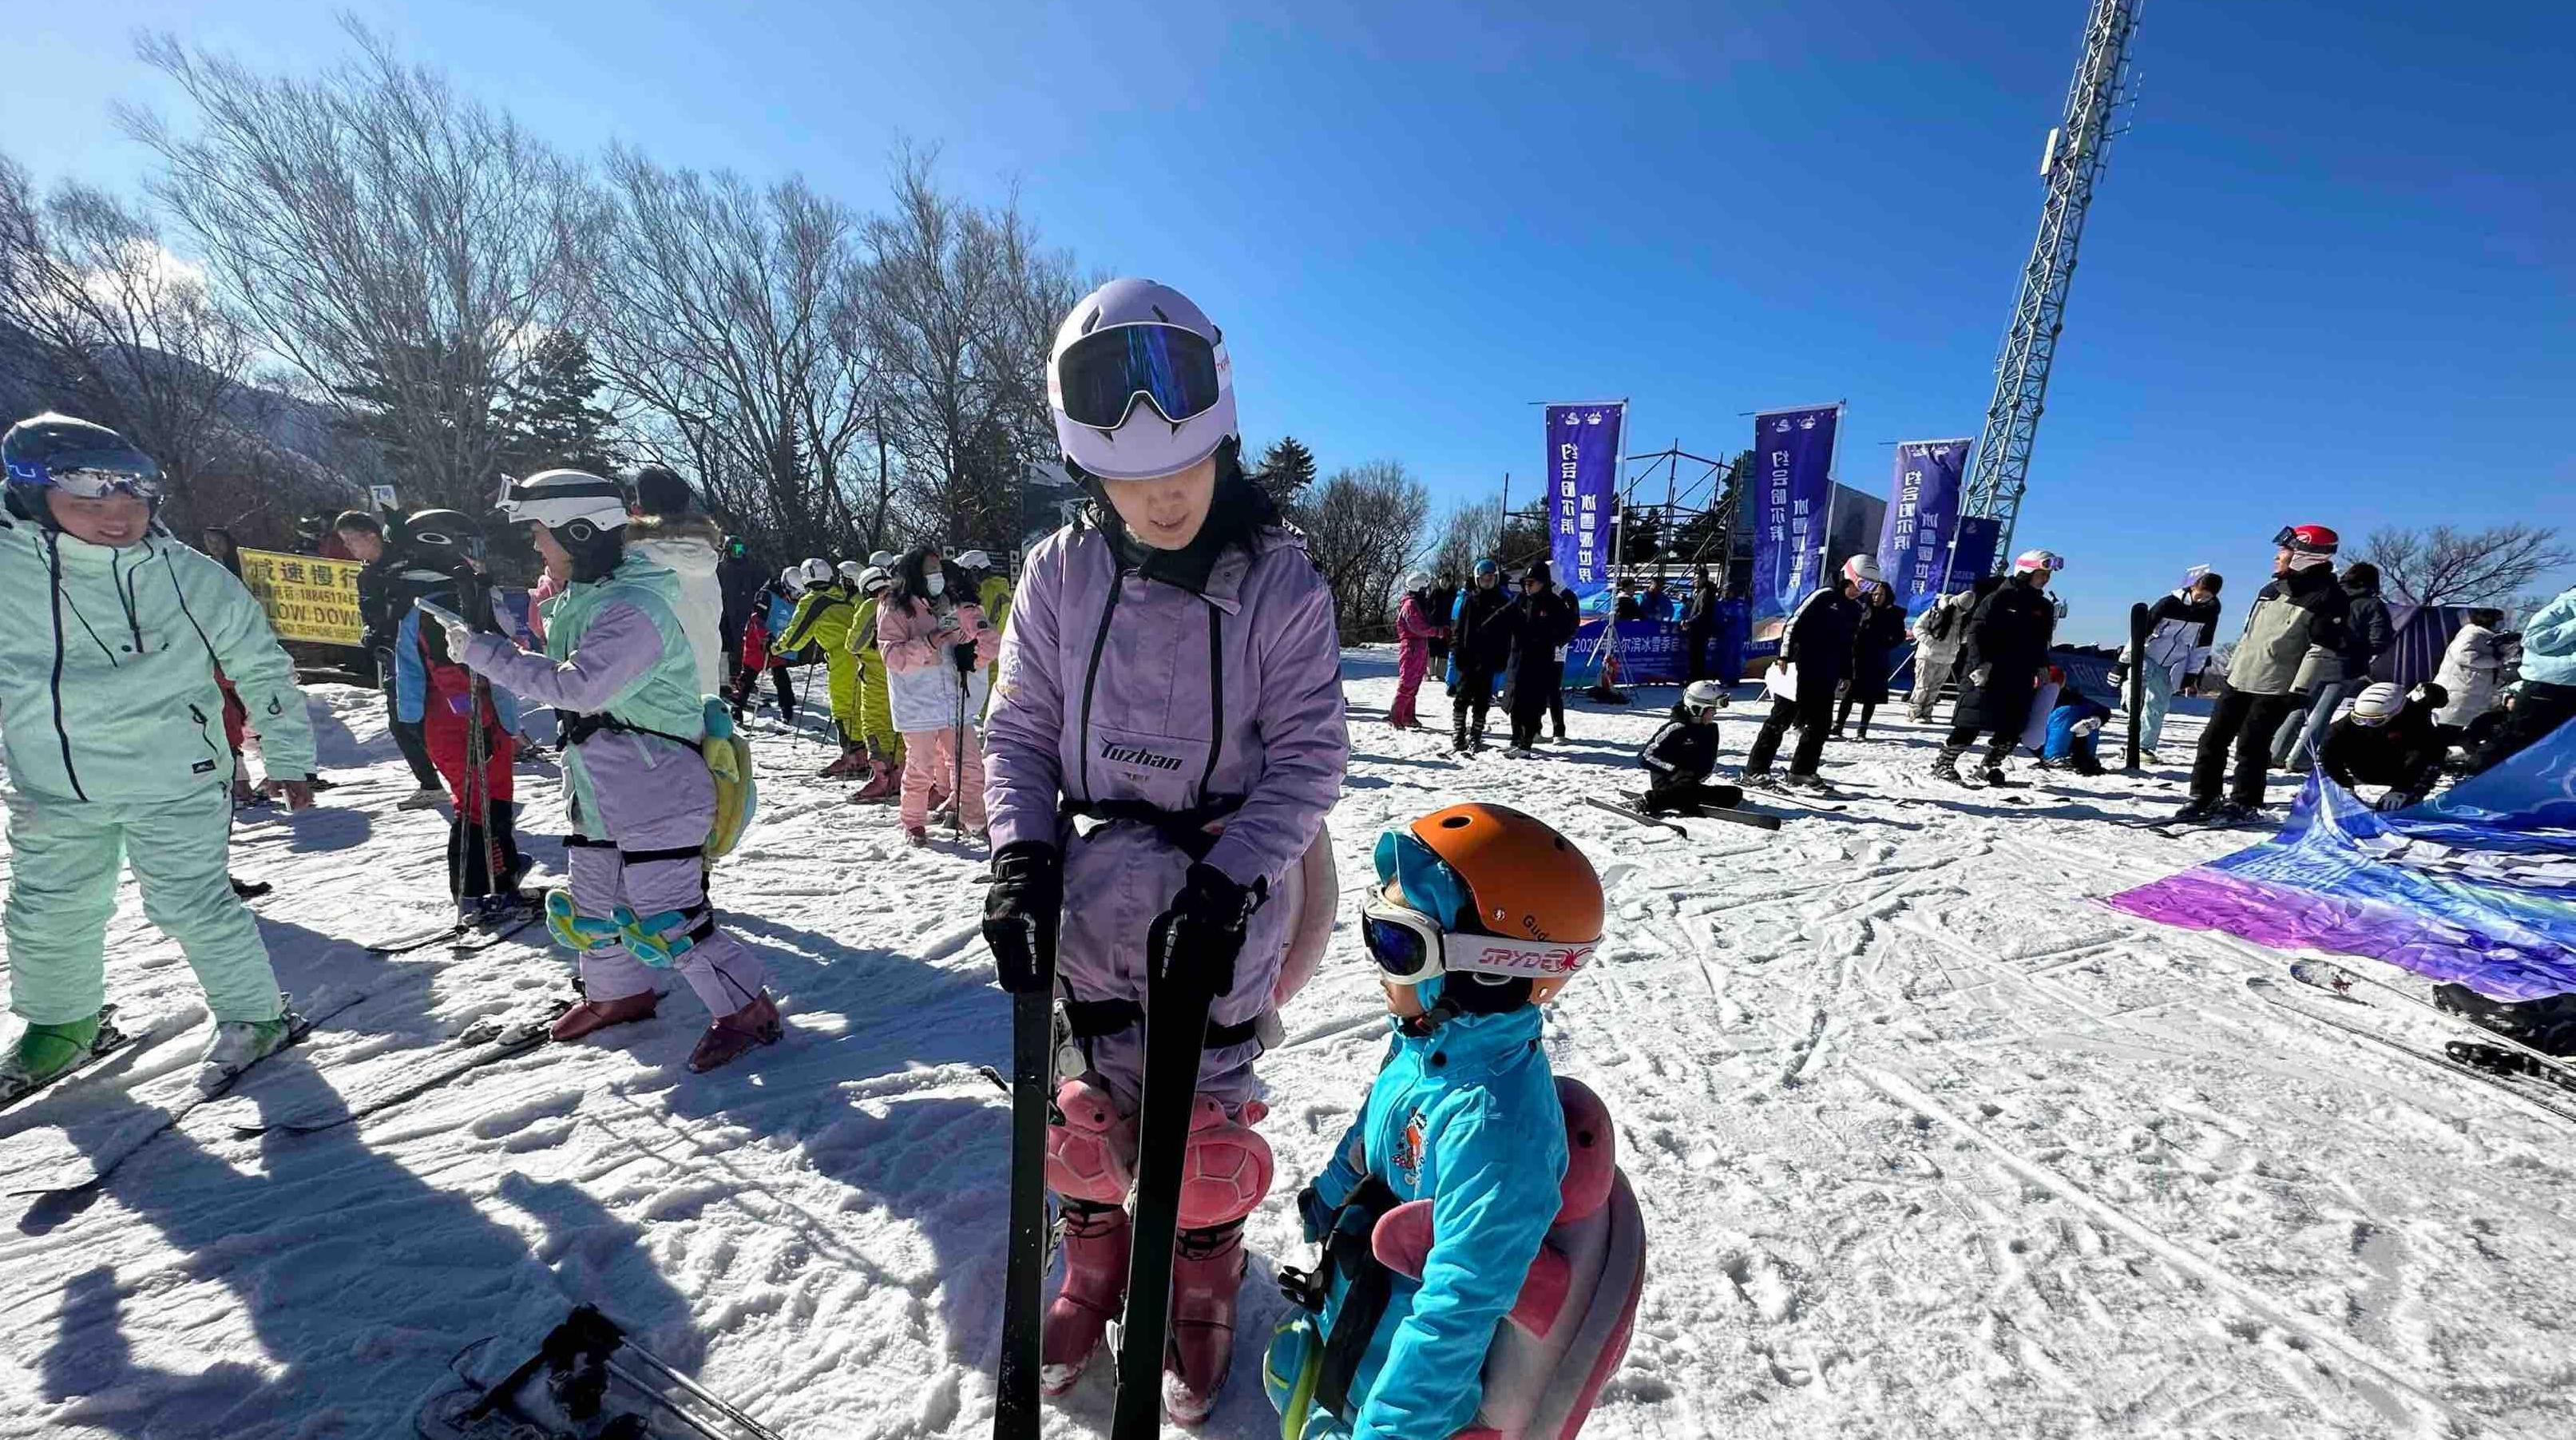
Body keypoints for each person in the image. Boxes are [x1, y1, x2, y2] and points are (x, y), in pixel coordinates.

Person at [980, 276, 1346, 1423]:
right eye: (1129, 481)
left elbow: (1309, 758)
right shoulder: (1059, 572)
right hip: (1092, 890)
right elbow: (1020, 731)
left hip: (1222, 888)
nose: (1160, 497)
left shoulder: (1279, 578)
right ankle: (1093, 1261)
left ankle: (1198, 1275)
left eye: (1180, 470)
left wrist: (1230, 878)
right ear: (1087, 469)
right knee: (1082, 1112)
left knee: (1205, 1127)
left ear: (1221, 438)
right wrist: (1020, 856)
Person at [1265, 803, 1635, 1440]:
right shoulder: (1425, 1046)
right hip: (1359, 1314)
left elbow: (1457, 1307)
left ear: (1490, 970)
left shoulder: (1494, 1127)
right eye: (1375, 929)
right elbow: (1369, 1137)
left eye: (1400, 944)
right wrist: (1327, 1198)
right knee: (1291, 1368)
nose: (1379, 962)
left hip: (1404, 1387)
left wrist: (1390, 1430)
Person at [0, 413, 319, 1098]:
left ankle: (255, 1014)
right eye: (91, 501)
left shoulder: (188, 577)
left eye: (134, 501)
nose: (118, 518)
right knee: (48, 909)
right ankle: (61, 1024)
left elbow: (261, 664)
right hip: (52, 782)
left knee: (192, 902)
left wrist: (288, 752)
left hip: (178, 774)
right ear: (31, 495)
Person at [441, 468, 778, 1073]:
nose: (538, 547)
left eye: (543, 534)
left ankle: (747, 1009)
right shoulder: (585, 600)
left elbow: (581, 687)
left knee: (667, 913)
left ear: (581, 532)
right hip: (601, 786)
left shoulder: (634, 609)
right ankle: (617, 993)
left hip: (657, 789)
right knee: (594, 900)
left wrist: (488, 654)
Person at [390, 509, 528, 918]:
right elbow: (452, 677)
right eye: (473, 549)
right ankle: (474, 891)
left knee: (495, 803)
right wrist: (479, 725)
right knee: (478, 808)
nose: (480, 558)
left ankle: (502, 878)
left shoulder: (463, 593)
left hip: (483, 720)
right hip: (461, 724)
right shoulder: (440, 608)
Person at [2179, 525, 2351, 824]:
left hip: (2277, 684)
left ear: (2306, 554)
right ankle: (2203, 796)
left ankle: (2245, 802)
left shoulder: (2328, 596)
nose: (2277, 556)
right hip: (2241, 677)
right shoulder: (2270, 589)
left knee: (2252, 745)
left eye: (2285, 550)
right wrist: (2231, 669)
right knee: (2212, 739)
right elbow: (2250, 634)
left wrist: (2300, 688)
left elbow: (2321, 648)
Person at [876, 545, 998, 843]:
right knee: (920, 766)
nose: (936, 577)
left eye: (938, 571)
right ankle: (913, 821)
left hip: (952, 699)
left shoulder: (949, 602)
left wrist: (973, 652)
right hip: (917, 702)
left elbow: (974, 641)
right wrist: (927, 642)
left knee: (969, 762)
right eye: (930, 571)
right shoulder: (895, 608)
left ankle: (974, 818)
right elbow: (892, 656)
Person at [339, 508, 447, 807]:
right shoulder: (367, 575)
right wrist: (371, 636)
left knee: (433, 717)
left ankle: (458, 774)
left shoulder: (407, 564)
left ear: (371, 535)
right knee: (402, 723)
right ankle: (432, 782)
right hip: (392, 659)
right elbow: (371, 616)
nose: (348, 547)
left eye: (351, 539)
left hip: (423, 654)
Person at [1933, 550, 2063, 787]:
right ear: (2026, 572)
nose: (2046, 579)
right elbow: (1977, 632)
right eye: (2042, 573)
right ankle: (1944, 763)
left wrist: (2043, 666)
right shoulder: (1999, 598)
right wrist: (1980, 665)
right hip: (1989, 671)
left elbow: (2041, 641)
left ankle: (1989, 767)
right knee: (1971, 721)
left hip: (2020, 674)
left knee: (2012, 726)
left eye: (2048, 575)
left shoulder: (2044, 607)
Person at [1744, 554, 1873, 791]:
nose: (1863, 591)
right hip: (1798, 668)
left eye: (1871, 587)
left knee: (1820, 725)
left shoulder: (1856, 608)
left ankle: (1802, 771)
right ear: (1849, 577)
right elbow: (1794, 623)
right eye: (1862, 584)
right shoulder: (1823, 596)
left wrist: (1846, 672)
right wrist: (1784, 655)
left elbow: (1848, 643)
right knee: (1779, 721)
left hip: (1827, 673)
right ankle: (1756, 770)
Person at [2275, 560, 2392, 772]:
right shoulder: (2372, 604)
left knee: (2299, 708)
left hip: (2313, 659)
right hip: (2347, 665)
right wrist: (2363, 651)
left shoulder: (2329, 595)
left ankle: (2276, 752)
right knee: (2322, 714)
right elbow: (2380, 639)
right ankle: (2301, 760)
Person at [624, 466, 727, 696]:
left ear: (637, 510)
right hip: (704, 700)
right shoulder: (705, 560)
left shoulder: (630, 563)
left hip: (652, 708)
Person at [2460, 585, 2576, 776]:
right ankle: (2472, 781)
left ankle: (2536, 789)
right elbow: (2533, 639)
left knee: (2562, 746)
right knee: (2517, 737)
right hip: (2548, 684)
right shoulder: (2565, 605)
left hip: (2570, 685)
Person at [777, 557, 863, 776]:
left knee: (843, 707)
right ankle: (866, 754)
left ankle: (853, 757)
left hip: (842, 656)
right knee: (861, 704)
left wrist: (774, 647)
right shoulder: (843, 595)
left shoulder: (813, 600)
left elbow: (795, 636)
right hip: (863, 655)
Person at [2132, 568, 2224, 760]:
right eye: (2200, 595)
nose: (2202, 600)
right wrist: (2125, 662)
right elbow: (2140, 632)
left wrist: (2192, 673)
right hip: (2148, 654)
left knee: (2158, 704)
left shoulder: (2211, 610)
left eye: (2208, 597)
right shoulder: (2168, 603)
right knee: (2137, 687)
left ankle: (2144, 746)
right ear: (2192, 587)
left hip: (2173, 662)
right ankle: (2129, 699)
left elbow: (2203, 644)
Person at [2319, 681, 2450, 808]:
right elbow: (2328, 751)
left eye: (2375, 720)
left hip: (2401, 767)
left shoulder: (2417, 720)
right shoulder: (2348, 724)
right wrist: (2341, 784)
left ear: (2397, 711)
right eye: (2360, 719)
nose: (2366, 722)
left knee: (2435, 749)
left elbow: (2420, 758)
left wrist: (2402, 790)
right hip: (2365, 767)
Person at [1500, 561, 1578, 755]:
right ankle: (1515, 738)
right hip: (1518, 659)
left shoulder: (1556, 603)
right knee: (1515, 699)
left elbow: (1569, 626)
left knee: (1534, 701)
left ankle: (1528, 742)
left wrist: (1552, 640)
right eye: (1525, 582)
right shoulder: (1520, 600)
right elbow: (1500, 618)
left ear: (1544, 582)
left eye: (1531, 582)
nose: (1527, 586)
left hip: (1541, 660)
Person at [843, 564, 903, 803]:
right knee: (898, 727)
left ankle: (883, 779)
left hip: (876, 677)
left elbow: (854, 644)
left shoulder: (871, 606)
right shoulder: (902, 602)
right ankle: (901, 776)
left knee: (875, 726)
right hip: (900, 675)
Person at [1639, 680, 1744, 815]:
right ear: (1697, 708)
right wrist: (1676, 771)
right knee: (1686, 789)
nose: (1715, 714)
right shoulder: (1676, 728)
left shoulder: (1709, 730)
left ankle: (1680, 800)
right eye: (1712, 710)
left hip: (1690, 784)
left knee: (1733, 795)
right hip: (1667, 781)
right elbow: (1644, 756)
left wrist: (1696, 775)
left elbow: (1708, 761)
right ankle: (1648, 801)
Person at [1449, 558, 1512, 752]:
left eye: (1491, 579)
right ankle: (1458, 732)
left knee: (1483, 699)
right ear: (1477, 580)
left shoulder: (1503, 601)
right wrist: (1457, 652)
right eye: (1484, 579)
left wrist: (1503, 657)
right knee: (1462, 697)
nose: (1487, 582)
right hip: (1469, 658)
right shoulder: (1470, 600)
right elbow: (1459, 630)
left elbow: (1507, 634)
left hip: (1489, 659)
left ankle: (1476, 734)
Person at [1835, 581, 1907, 739]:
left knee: (1871, 697)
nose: (1877, 597)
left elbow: (1899, 636)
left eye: (1880, 595)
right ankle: (1838, 725)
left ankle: (1863, 729)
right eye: (1874, 594)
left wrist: (1885, 644)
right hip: (1857, 658)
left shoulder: (1894, 614)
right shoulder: (1862, 609)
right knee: (1849, 694)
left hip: (1877, 660)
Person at [2432, 607, 2512, 735]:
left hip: (2473, 691)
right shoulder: (2473, 634)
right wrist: (2495, 660)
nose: (2501, 623)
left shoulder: (2488, 637)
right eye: (2499, 620)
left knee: (2461, 728)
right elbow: (2462, 655)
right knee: (2446, 728)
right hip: (2459, 689)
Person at [1907, 583, 1979, 724]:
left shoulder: (1963, 620)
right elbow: (1918, 628)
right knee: (1922, 686)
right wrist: (1931, 642)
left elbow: (1961, 638)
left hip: (1947, 659)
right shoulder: (1936, 612)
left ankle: (1927, 713)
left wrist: (1963, 639)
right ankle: (1915, 713)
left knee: (1935, 688)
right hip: (1928, 656)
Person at [1389, 569, 1445, 730]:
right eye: (1424, 589)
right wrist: (1437, 631)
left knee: (1415, 682)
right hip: (1412, 647)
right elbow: (1418, 627)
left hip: (1419, 646)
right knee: (1408, 682)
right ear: (1419, 588)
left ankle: (1408, 715)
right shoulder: (1411, 604)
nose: (1426, 593)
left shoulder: (1416, 603)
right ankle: (1396, 716)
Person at [2033, 678, 2114, 776]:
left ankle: (2067, 757)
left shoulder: (2072, 699)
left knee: (2085, 712)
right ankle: (2055, 756)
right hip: (2045, 744)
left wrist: (2093, 722)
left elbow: (2102, 710)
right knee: (2067, 711)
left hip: (2076, 749)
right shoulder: (2037, 698)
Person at [715, 534, 763, 689]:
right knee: (724, 647)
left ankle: (741, 679)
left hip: (744, 614)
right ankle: (723, 681)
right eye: (736, 550)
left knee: (743, 647)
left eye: (741, 550)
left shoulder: (748, 568)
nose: (739, 553)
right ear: (728, 550)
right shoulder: (720, 568)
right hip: (724, 614)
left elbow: (756, 587)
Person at [1681, 563, 1719, 684]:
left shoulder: (1707, 592)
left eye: (1696, 579)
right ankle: (1695, 678)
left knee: (1697, 655)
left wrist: (1689, 622)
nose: (1694, 581)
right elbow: (1696, 608)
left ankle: (1696, 680)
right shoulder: (1701, 591)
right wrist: (1686, 601)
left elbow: (1703, 612)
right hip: (1698, 628)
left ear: (1703, 579)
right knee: (1695, 655)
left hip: (1701, 629)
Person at [1424, 573, 1457, 685]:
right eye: (1442, 580)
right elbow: (1428, 607)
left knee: (1443, 649)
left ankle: (1441, 673)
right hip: (1433, 624)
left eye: (1446, 581)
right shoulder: (1435, 592)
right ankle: (1429, 672)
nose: (1444, 583)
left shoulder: (1453, 593)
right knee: (1431, 648)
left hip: (1446, 624)